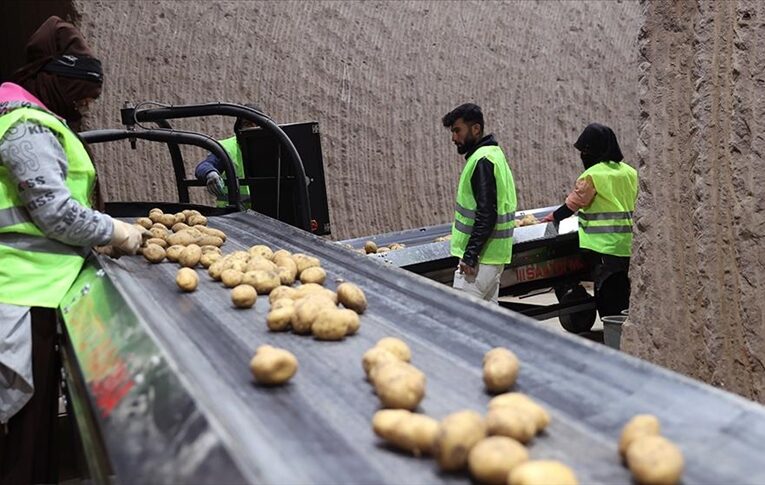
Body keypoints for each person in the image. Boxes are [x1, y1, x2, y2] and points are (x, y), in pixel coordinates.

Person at [0, 16, 145, 484]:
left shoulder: (39, 122)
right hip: (22, 289)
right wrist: (116, 233)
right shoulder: (26, 127)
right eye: (83, 92)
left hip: (40, 288)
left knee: (36, 422)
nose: (86, 102)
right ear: (56, 81)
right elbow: (55, 212)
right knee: (20, 429)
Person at [541, 123, 638, 317]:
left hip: (604, 247)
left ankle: (612, 331)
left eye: (585, 150)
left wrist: (554, 217)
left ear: (594, 149)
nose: (583, 155)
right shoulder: (630, 172)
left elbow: (575, 203)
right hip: (628, 245)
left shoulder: (592, 175)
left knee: (608, 293)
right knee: (624, 290)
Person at [442, 103, 517, 303]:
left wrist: (470, 255)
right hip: (493, 259)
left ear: (475, 129)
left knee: (463, 325)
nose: (454, 138)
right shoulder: (494, 154)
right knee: (487, 327)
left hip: (479, 262)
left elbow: (487, 213)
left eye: (458, 130)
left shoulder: (482, 160)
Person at [194, 104, 262, 208]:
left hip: (266, 217)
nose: (252, 128)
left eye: (257, 124)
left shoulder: (274, 147)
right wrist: (210, 173)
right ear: (239, 127)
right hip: (231, 215)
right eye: (247, 124)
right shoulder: (226, 148)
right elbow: (204, 166)